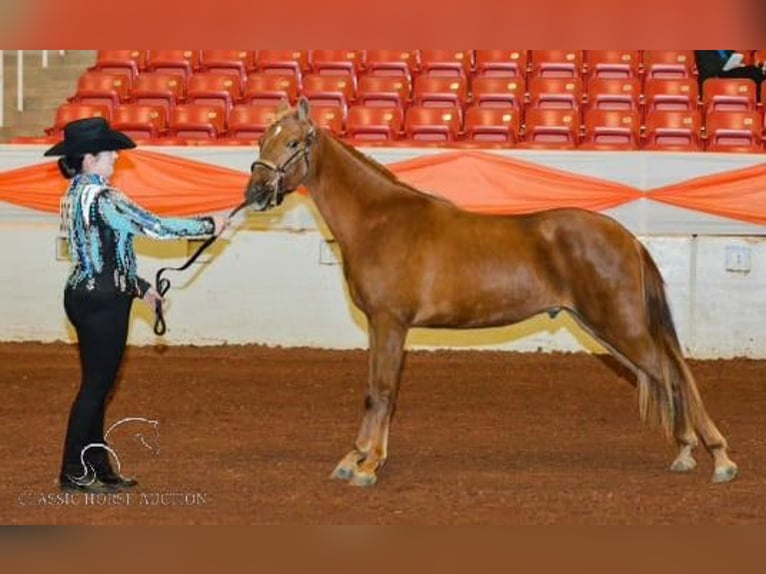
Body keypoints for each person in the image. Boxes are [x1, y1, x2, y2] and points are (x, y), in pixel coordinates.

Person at [45, 117, 228, 493]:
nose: (115, 156)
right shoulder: (106, 198)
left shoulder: (75, 194)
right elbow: (154, 227)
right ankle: (74, 471)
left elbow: (109, 250)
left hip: (86, 294)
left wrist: (140, 286)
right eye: (108, 151)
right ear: (89, 159)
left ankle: (97, 466)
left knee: (98, 386)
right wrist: (208, 225)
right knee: (96, 388)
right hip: (103, 302)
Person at [694, 50, 765, 101]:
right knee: (752, 72)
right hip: (716, 78)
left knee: (755, 71)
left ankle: (759, 100)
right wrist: (727, 64)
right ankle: (759, 100)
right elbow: (710, 69)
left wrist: (737, 65)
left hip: (729, 73)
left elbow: (734, 58)